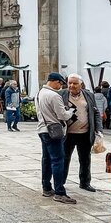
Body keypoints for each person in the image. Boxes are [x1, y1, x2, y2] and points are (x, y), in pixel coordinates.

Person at [36, 72, 77, 204]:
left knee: (46, 159)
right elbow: (63, 115)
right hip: (53, 131)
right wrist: (70, 111)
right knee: (58, 160)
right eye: (60, 83)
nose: (61, 86)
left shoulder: (39, 93)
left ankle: (46, 187)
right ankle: (59, 192)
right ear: (54, 81)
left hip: (43, 129)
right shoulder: (54, 95)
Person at [60, 74, 103, 193]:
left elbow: (96, 113)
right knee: (64, 159)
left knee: (85, 159)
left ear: (81, 84)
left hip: (85, 133)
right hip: (67, 134)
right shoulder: (62, 94)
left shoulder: (88, 95)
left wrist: (98, 129)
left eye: (75, 83)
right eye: (70, 83)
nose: (71, 85)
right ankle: (60, 182)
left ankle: (85, 183)